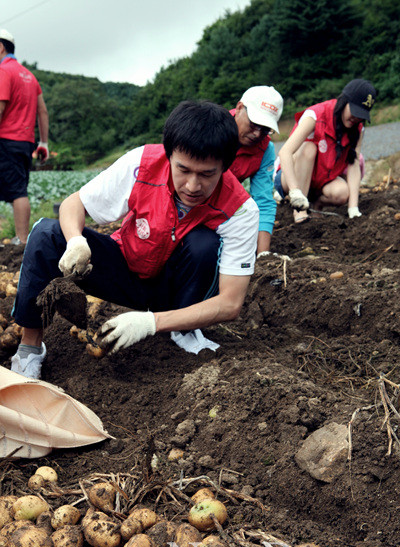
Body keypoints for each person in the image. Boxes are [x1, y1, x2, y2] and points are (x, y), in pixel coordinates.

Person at [10, 100, 259, 379]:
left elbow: (230, 303)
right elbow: (73, 204)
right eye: (184, 170)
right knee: (46, 233)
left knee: (205, 244)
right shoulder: (142, 164)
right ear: (169, 155)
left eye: (206, 174)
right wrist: (75, 241)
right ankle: (30, 349)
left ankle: (183, 328)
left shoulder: (240, 209)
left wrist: (151, 323)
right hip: (126, 267)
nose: (192, 185)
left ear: (225, 167)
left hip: (176, 291)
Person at [274, 79, 376, 223]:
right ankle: (300, 211)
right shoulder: (315, 116)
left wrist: (353, 208)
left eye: (361, 115)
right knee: (309, 148)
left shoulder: (358, 128)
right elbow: (285, 152)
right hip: (290, 178)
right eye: (354, 111)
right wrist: (294, 190)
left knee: (341, 193)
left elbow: (353, 164)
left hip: (320, 181)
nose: (356, 118)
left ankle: (315, 205)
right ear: (344, 101)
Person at [0, 28, 49, 244]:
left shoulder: (3, 71)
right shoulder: (29, 75)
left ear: (0, 47)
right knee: (19, 188)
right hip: (25, 142)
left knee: (18, 192)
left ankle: (21, 240)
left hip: (6, 140)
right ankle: (20, 239)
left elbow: (0, 106)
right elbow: (42, 111)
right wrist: (44, 143)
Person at [229, 86, 283, 255]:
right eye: (253, 124)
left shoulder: (265, 149)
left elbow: (264, 200)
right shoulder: (214, 130)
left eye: (265, 129)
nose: (257, 133)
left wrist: (263, 256)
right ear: (239, 109)